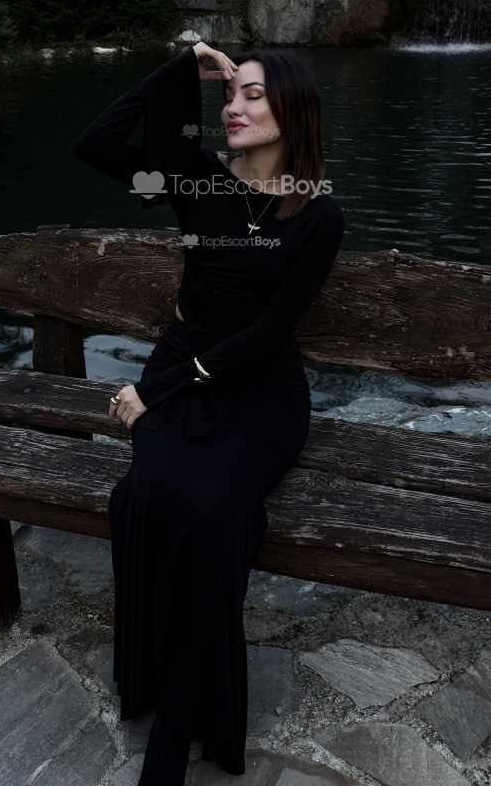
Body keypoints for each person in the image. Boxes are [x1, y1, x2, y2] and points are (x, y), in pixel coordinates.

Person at [72, 40, 345, 784]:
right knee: (152, 496)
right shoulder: (193, 177)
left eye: (253, 94)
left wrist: (160, 391)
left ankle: (183, 718)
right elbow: (95, 144)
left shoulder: (317, 214)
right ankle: (165, 683)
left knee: (212, 513)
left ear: (292, 108)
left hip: (260, 393)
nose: (234, 107)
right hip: (177, 370)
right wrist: (176, 70)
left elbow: (270, 331)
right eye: (230, 94)